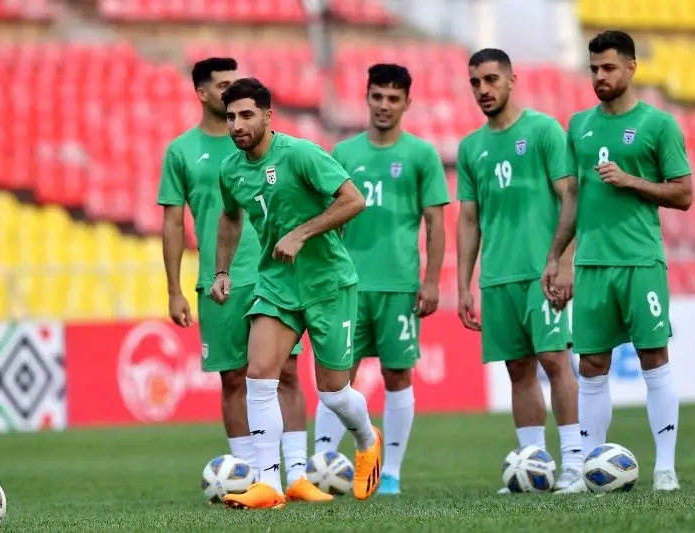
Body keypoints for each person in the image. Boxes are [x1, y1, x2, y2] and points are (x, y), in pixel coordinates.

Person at [211, 77, 383, 510]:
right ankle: (269, 484)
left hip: (328, 283)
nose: (237, 125)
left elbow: (353, 200)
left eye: (246, 115)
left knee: (334, 393)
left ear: (268, 116)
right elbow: (230, 218)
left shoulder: (300, 154)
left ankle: (367, 438)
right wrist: (221, 270)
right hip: (276, 283)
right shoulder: (230, 170)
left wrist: (302, 233)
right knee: (258, 375)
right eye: (230, 117)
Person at [157, 58, 322, 502]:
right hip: (219, 279)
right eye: (224, 86)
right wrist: (174, 289)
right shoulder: (181, 152)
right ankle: (249, 476)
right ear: (202, 93)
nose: (233, 96)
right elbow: (172, 223)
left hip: (273, 273)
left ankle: (297, 474)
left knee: (286, 371)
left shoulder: (269, 147)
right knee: (233, 378)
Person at [544, 31, 692, 494]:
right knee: (590, 364)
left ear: (631, 67)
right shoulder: (578, 126)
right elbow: (572, 199)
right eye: (593, 69)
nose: (600, 77)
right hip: (592, 263)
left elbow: (683, 193)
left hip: (639, 260)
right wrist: (556, 257)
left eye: (608, 68)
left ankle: (665, 469)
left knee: (653, 356)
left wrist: (632, 181)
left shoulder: (658, 124)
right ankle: (590, 471)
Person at [312, 63, 450, 496]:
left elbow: (436, 222)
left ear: (407, 102)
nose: (384, 105)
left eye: (393, 98)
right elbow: (326, 218)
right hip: (348, 285)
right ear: (366, 97)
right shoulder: (343, 153)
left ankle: (389, 474)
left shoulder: (422, 155)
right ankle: (322, 466)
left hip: (399, 285)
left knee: (397, 375)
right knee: (337, 377)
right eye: (377, 96)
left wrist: (431, 281)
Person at [454, 48, 583, 493]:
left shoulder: (544, 130)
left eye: (491, 79)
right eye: (475, 82)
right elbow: (468, 218)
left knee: (555, 360)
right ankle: (534, 465)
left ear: (512, 80)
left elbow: (570, 198)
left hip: (540, 272)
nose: (483, 90)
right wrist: (464, 284)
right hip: (497, 276)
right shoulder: (470, 147)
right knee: (518, 370)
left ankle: (575, 463)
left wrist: (563, 262)